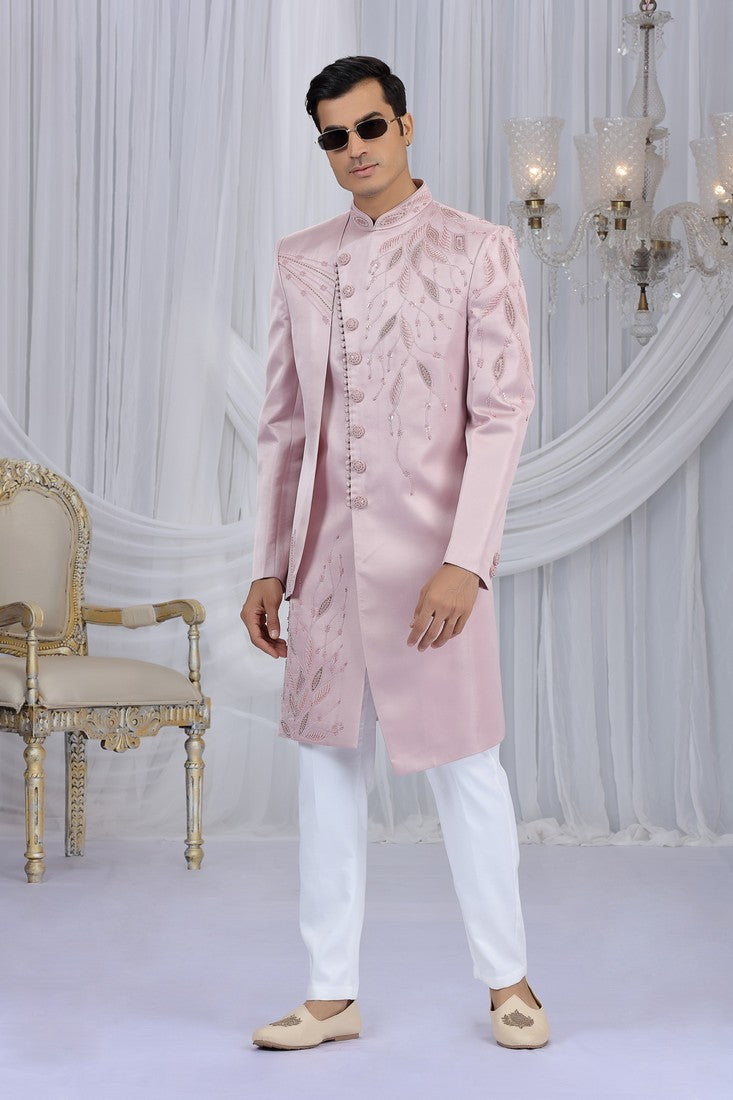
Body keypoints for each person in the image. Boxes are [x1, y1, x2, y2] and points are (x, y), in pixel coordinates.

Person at [241, 55, 549, 1052]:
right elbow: (284, 426)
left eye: (369, 127)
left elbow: (501, 412)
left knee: (466, 766)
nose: (354, 150)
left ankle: (510, 981)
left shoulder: (475, 248)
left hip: (433, 566)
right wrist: (268, 563)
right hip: (326, 564)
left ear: (404, 127)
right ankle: (330, 993)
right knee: (326, 773)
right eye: (334, 137)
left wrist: (468, 559)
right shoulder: (300, 261)